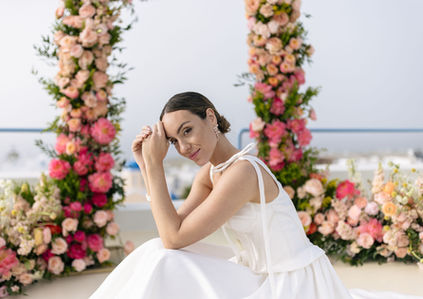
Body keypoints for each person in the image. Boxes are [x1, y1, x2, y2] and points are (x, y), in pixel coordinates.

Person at [90, 92, 422, 299]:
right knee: (156, 252)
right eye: (174, 141)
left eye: (187, 130)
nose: (184, 146)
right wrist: (145, 166)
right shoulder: (212, 172)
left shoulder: (243, 173)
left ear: (210, 117)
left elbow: (174, 237)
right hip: (254, 273)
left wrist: (155, 165)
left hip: (290, 282)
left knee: (164, 256)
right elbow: (173, 228)